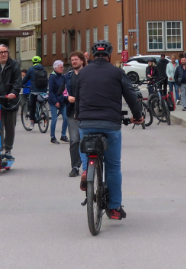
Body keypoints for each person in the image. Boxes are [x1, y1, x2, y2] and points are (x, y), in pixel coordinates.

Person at [73, 40, 144, 220]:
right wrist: (137, 115)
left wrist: (79, 115)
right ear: (110, 56)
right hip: (110, 124)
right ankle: (114, 208)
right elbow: (131, 96)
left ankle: (84, 170)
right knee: (113, 167)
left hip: (87, 122)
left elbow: (79, 97)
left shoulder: (82, 73)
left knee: (85, 143)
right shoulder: (117, 72)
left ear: (93, 55)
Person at [65, 51, 86, 177]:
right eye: (72, 60)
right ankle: (75, 166)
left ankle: (88, 165)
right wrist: (67, 98)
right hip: (72, 111)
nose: (73, 62)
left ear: (82, 60)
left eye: (76, 59)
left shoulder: (88, 74)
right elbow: (61, 92)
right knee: (74, 140)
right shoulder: (68, 76)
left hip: (86, 111)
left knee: (87, 139)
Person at [21, 55, 49, 125]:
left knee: (32, 105)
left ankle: (32, 121)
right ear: (40, 61)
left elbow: (26, 79)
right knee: (41, 101)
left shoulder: (31, 69)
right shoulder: (44, 69)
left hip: (35, 91)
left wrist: (21, 84)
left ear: (33, 62)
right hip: (44, 90)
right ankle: (42, 111)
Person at [48, 59, 69, 143]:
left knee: (66, 118)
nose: (62, 68)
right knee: (54, 119)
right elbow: (51, 91)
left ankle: (63, 135)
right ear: (55, 68)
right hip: (54, 101)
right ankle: (52, 137)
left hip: (62, 100)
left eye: (62, 67)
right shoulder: (52, 77)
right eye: (60, 67)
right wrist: (55, 101)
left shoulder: (63, 76)